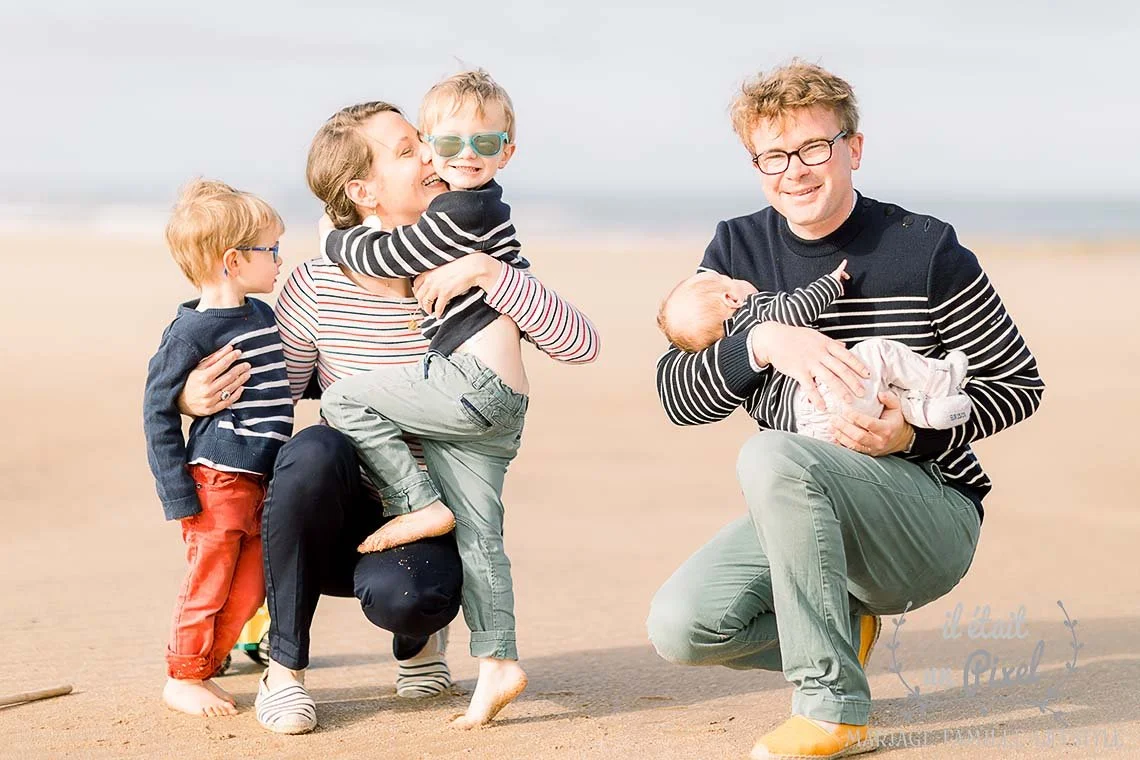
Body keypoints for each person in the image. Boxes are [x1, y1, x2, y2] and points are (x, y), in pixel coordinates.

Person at [646, 60, 1045, 759]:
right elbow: (678, 397)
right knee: (683, 627)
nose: (793, 171)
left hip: (928, 511)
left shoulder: (925, 249)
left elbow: (1018, 383)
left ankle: (832, 706)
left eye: (812, 148)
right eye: (772, 156)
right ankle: (845, 631)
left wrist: (911, 434)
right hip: (804, 509)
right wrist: (763, 340)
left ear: (852, 149)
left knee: (771, 451)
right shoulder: (737, 248)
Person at [177, 100, 599, 735]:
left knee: (414, 597)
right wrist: (188, 400)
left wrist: (491, 274)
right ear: (362, 190)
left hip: (428, 513)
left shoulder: (467, 263)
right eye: (408, 150)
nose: (431, 156)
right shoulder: (315, 285)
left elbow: (580, 343)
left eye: (423, 142)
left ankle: (420, 641)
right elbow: (278, 396)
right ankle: (284, 672)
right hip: (342, 506)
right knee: (312, 448)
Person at [318, 70, 599, 728]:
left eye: (487, 139)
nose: (465, 152)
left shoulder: (463, 211)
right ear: (428, 143)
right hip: (494, 417)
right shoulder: (474, 212)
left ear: (508, 150)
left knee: (343, 403)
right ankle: (498, 662)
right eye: (444, 142)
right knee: (480, 540)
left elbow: (397, 253)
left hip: (472, 389)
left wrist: (335, 240)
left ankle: (416, 507)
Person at [142, 179, 290, 718]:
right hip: (218, 482)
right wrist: (178, 495)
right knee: (208, 585)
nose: (280, 259)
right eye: (271, 250)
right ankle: (182, 676)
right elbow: (157, 410)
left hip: (264, 480)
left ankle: (206, 666)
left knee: (249, 591)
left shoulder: (263, 317)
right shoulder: (190, 332)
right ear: (233, 260)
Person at [656, 263, 973, 442]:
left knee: (881, 394)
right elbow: (797, 307)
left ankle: (927, 414)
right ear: (730, 297)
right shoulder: (754, 308)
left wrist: (905, 439)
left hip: (804, 431)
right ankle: (939, 381)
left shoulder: (716, 340)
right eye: (731, 279)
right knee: (880, 355)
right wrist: (831, 283)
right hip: (824, 394)